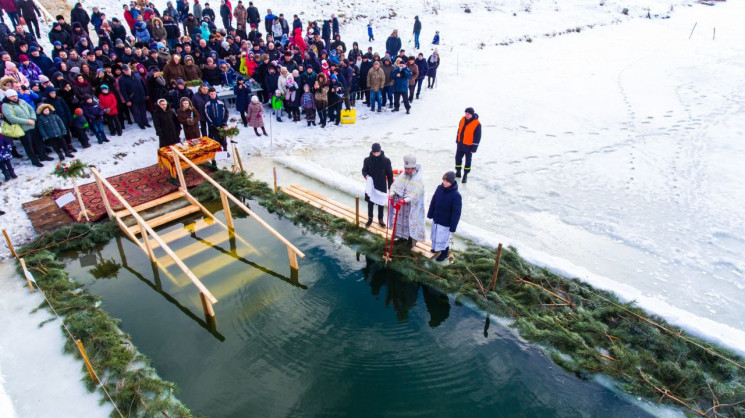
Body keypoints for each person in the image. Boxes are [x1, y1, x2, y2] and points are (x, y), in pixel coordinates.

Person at [2, 88, 50, 167]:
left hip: (32, 124)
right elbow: (11, 117)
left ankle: (43, 156)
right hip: (22, 128)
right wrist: (27, 121)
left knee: (39, 142)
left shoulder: (21, 101)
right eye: (12, 96)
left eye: (15, 96)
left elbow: (31, 109)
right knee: (28, 145)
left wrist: (33, 118)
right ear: (8, 97)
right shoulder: (6, 105)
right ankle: (35, 161)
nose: (14, 98)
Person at [388, 155, 426, 248]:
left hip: (411, 207)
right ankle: (401, 238)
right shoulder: (403, 175)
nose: (407, 171)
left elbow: (415, 193)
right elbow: (396, 185)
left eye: (409, 169)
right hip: (402, 207)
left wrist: (405, 200)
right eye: (406, 168)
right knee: (401, 222)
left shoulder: (419, 179)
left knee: (409, 223)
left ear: (413, 168)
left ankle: (410, 242)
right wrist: (392, 193)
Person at [427, 171, 462, 261]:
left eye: (447, 181)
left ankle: (444, 253)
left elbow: (456, 212)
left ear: (452, 182)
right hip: (436, 218)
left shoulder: (456, 195)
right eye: (443, 180)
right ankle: (435, 248)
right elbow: (433, 201)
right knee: (435, 235)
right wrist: (430, 213)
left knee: (443, 238)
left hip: (445, 222)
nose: (444, 183)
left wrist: (453, 226)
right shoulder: (439, 188)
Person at [362, 142, 393, 228]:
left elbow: (390, 174)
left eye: (377, 153)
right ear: (372, 151)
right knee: (370, 202)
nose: (376, 154)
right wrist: (366, 176)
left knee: (381, 203)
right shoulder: (367, 160)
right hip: (371, 185)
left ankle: (380, 220)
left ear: (380, 151)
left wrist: (390, 187)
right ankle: (370, 218)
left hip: (381, 185)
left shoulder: (386, 161)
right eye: (374, 153)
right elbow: (364, 170)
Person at [455, 107, 481, 183]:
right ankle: (458, 172)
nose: (466, 115)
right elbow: (459, 130)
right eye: (466, 113)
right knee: (458, 158)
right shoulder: (462, 119)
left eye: (468, 114)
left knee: (468, 161)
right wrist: (457, 140)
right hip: (460, 144)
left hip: (469, 146)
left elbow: (477, 137)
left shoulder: (477, 123)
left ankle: (465, 175)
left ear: (472, 114)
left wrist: (474, 148)